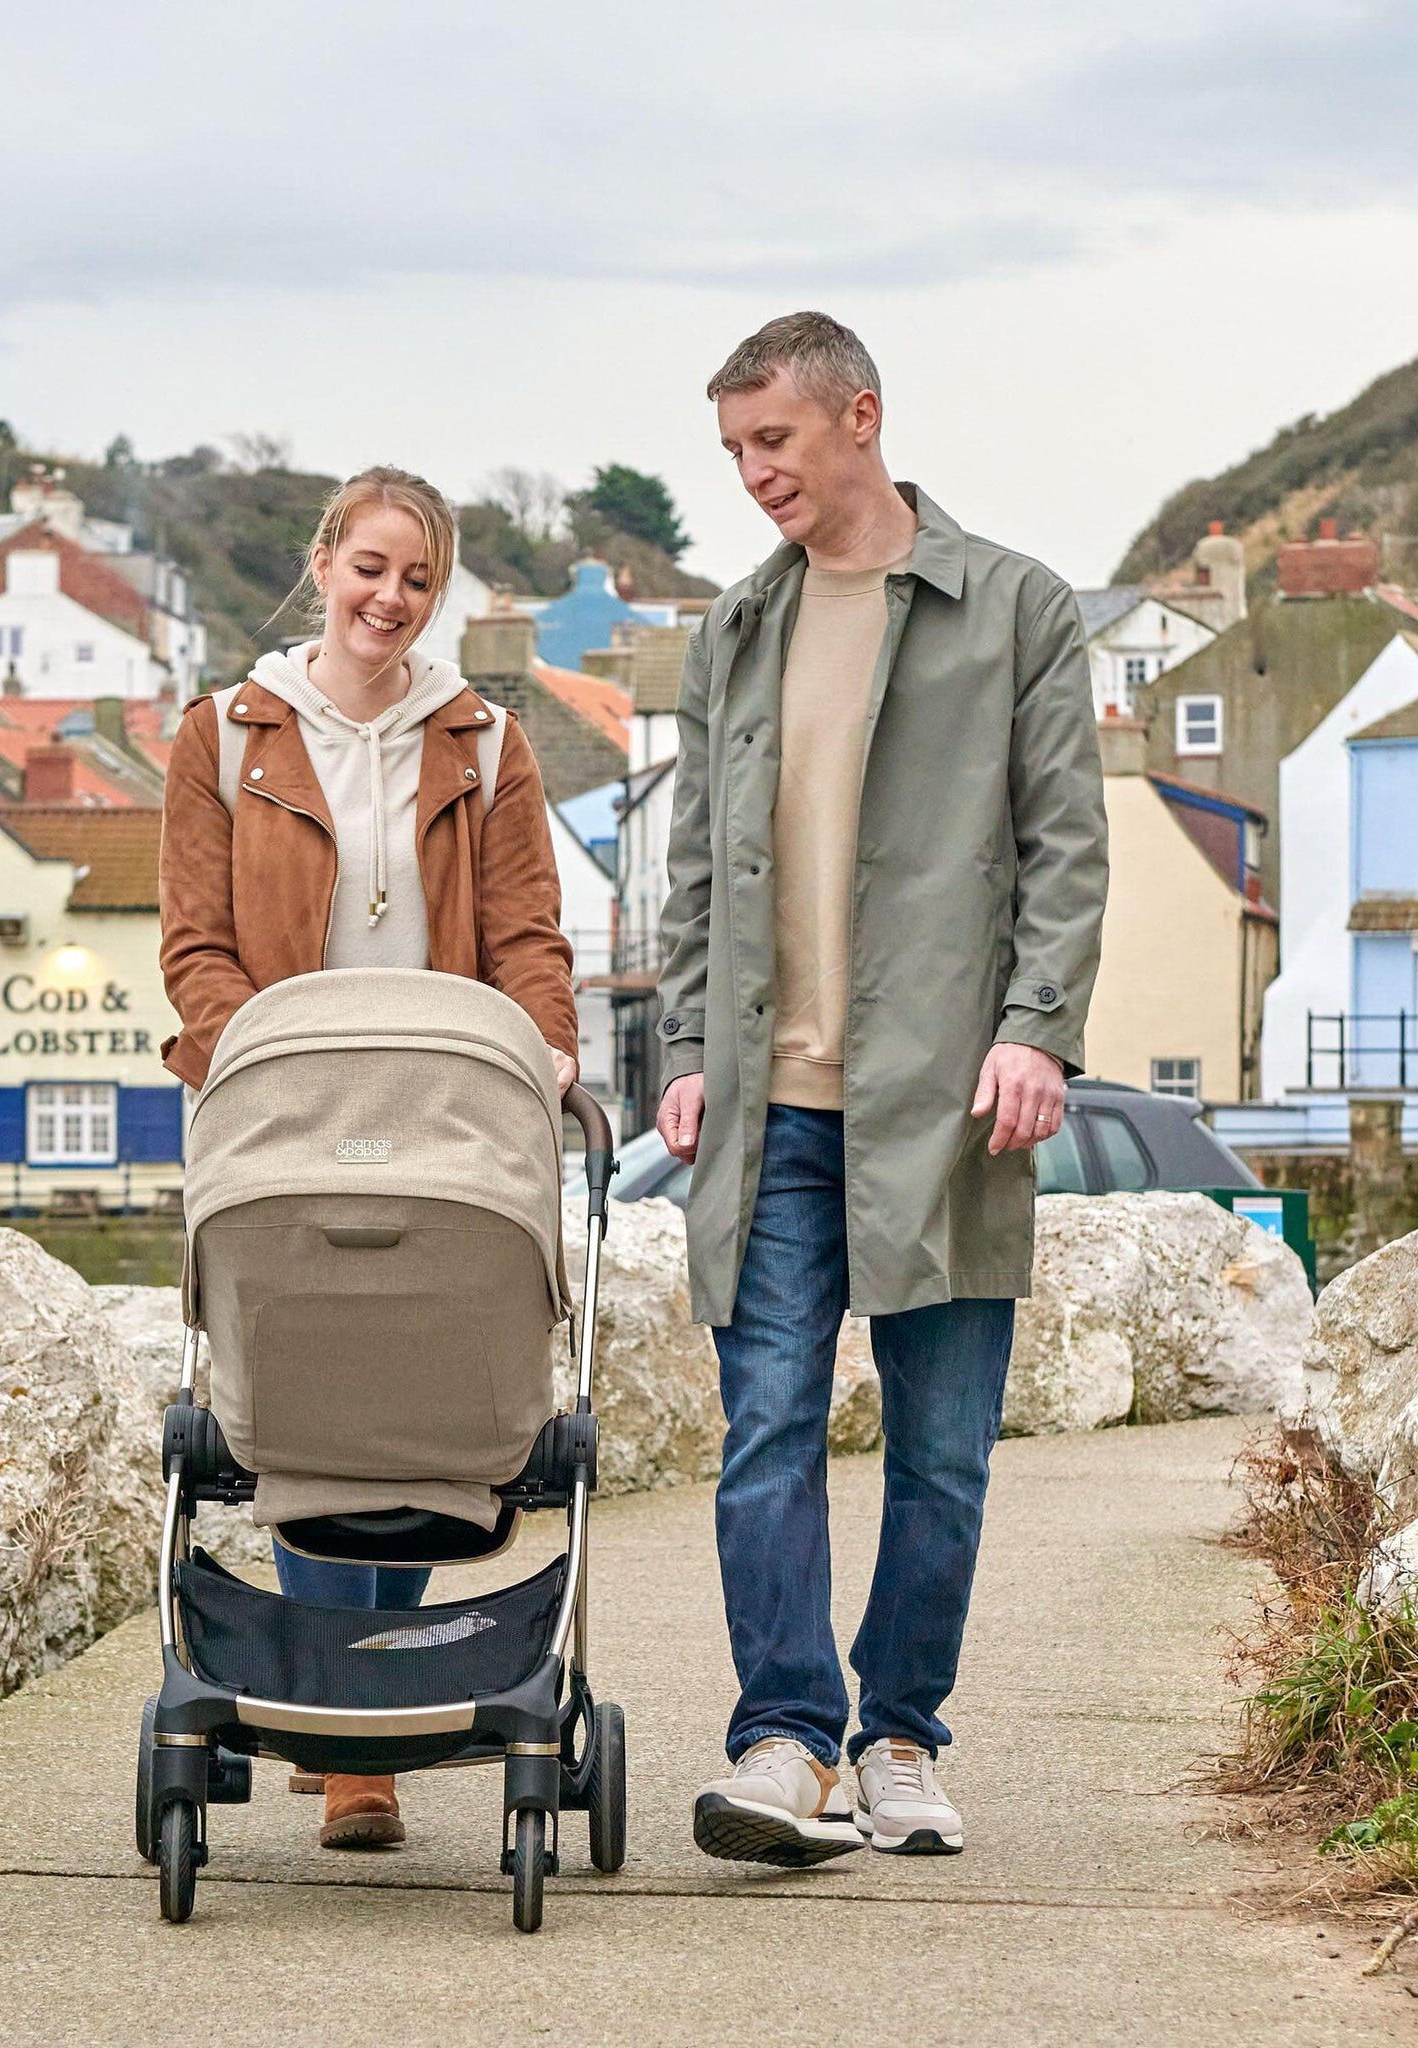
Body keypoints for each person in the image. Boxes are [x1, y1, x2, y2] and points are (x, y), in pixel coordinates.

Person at [657, 312, 1108, 1867]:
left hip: (947, 1102)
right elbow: (697, 869)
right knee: (765, 1430)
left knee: (942, 1453)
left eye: (772, 440)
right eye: (731, 451)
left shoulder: (1015, 608)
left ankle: (902, 1733)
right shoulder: (735, 628)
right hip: (768, 1103)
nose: (752, 475)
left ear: (861, 417)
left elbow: (1065, 840)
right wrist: (679, 1059)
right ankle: (786, 1742)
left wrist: (1039, 1027)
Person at [159, 464, 578, 1850]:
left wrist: (548, 1052)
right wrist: (251, 1054)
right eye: (371, 568)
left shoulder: (485, 744)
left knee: (417, 1378)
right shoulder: (226, 738)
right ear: (325, 560)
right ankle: (357, 1747)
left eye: (418, 580)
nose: (389, 600)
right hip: (289, 1104)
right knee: (308, 1382)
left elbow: (524, 934)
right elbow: (196, 945)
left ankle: (360, 1724)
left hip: (444, 1106)